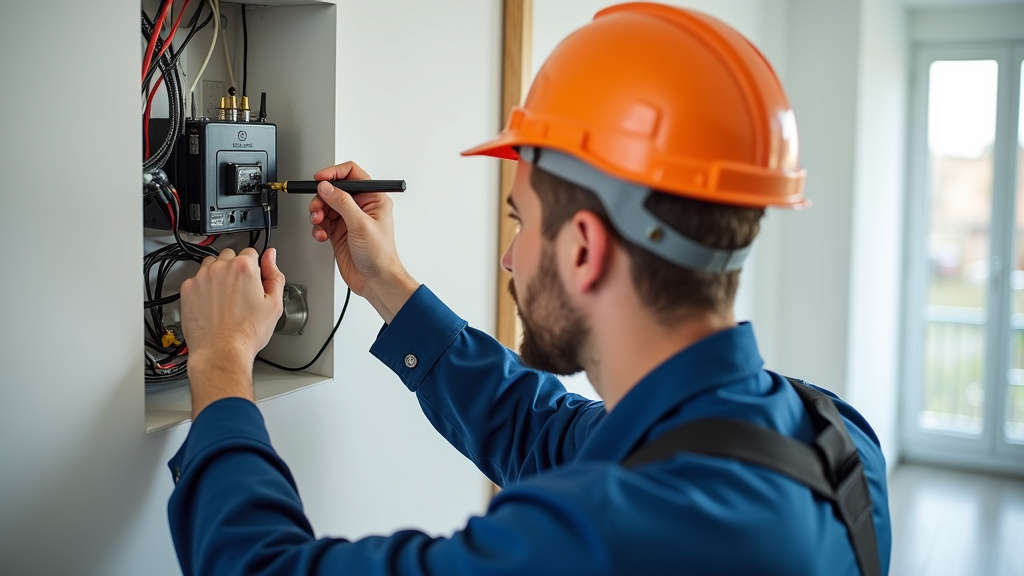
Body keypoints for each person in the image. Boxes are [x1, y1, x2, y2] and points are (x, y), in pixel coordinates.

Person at [168, 3, 892, 575]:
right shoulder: (830, 433)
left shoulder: (614, 536)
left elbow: (259, 567)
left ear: (584, 248)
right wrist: (386, 282)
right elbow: (536, 427)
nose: (510, 258)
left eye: (522, 222)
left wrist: (222, 364)